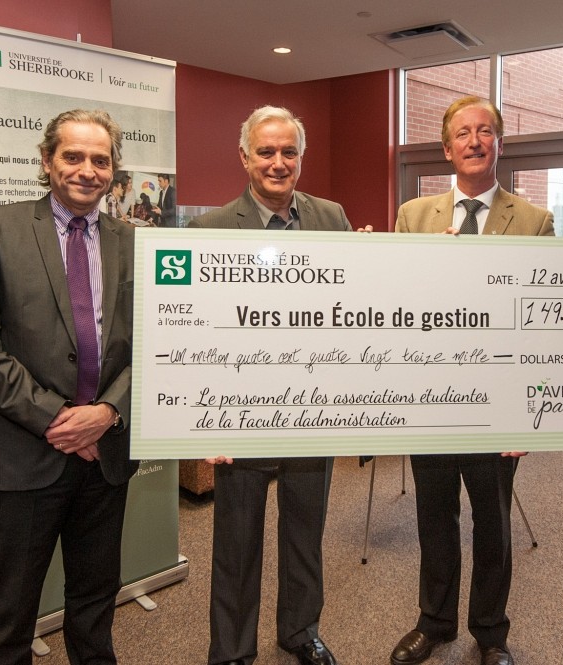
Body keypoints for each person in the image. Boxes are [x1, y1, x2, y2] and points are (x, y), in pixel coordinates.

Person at [0, 108, 137, 665]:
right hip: (20, 454)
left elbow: (157, 342)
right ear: (46, 161)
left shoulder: (133, 242)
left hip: (104, 458)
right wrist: (61, 419)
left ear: (113, 169)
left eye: (100, 160)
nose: (87, 170)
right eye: (73, 156)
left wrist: (108, 412)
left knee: (94, 604)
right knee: (7, 618)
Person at [188, 105, 354, 665]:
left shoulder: (332, 218)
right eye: (266, 151)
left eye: (288, 152)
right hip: (241, 414)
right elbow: (192, 326)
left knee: (305, 534)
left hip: (313, 408)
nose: (277, 163)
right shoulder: (208, 229)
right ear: (244, 157)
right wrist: (200, 418)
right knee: (236, 543)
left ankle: (300, 632)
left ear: (301, 159)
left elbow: (354, 307)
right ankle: (232, 651)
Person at [391, 96, 554, 665]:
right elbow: (393, 307)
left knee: (494, 525)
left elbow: (541, 319)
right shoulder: (413, 217)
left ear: (499, 145)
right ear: (447, 148)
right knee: (434, 519)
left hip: (498, 402)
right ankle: (434, 622)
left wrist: (530, 412)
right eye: (463, 132)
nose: (475, 141)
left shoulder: (533, 221)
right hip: (431, 398)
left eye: (486, 131)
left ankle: (490, 633)